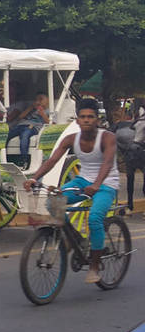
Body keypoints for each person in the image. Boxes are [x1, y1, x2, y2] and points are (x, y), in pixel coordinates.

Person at [24, 98, 119, 283]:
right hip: (83, 181)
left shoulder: (107, 137)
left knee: (94, 218)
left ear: (97, 120)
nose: (86, 120)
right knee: (53, 202)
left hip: (106, 183)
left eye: (90, 117)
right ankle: (77, 238)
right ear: (77, 120)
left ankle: (94, 266)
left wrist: (97, 184)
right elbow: (52, 160)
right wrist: (34, 178)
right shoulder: (70, 139)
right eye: (82, 117)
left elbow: (107, 162)